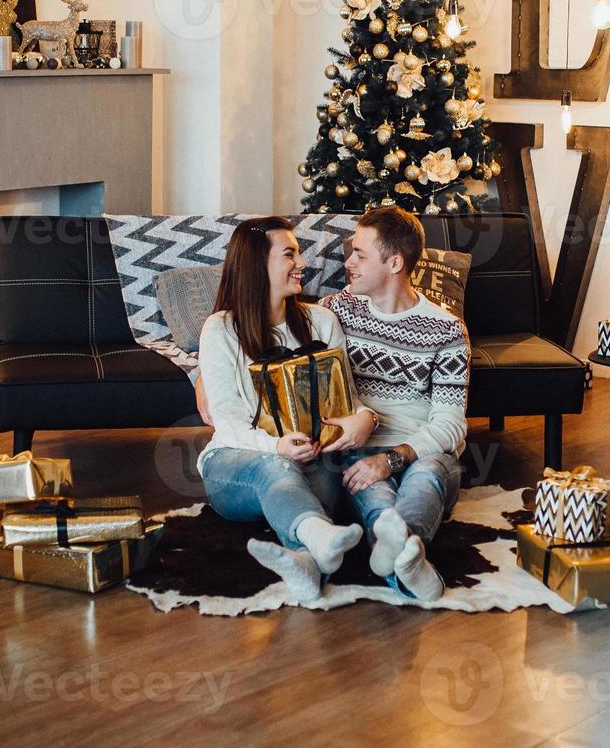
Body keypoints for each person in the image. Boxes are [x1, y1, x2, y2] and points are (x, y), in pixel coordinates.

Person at [196, 216, 381, 602]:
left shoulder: (322, 322)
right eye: (290, 254)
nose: (302, 263)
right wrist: (278, 448)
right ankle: (320, 535)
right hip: (236, 465)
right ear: (256, 265)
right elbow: (228, 424)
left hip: (315, 462)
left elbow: (349, 400)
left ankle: (306, 557)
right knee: (275, 468)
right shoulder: (220, 330)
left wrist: (364, 419)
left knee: (310, 481)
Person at [318, 206, 469, 602]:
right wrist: (201, 374)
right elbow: (272, 327)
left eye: (360, 255)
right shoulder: (336, 311)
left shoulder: (446, 328)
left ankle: (401, 550)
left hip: (423, 449)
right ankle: (408, 565)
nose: (348, 263)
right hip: (359, 448)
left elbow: (451, 425)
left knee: (428, 476)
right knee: (376, 496)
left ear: (395, 262)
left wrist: (393, 458)